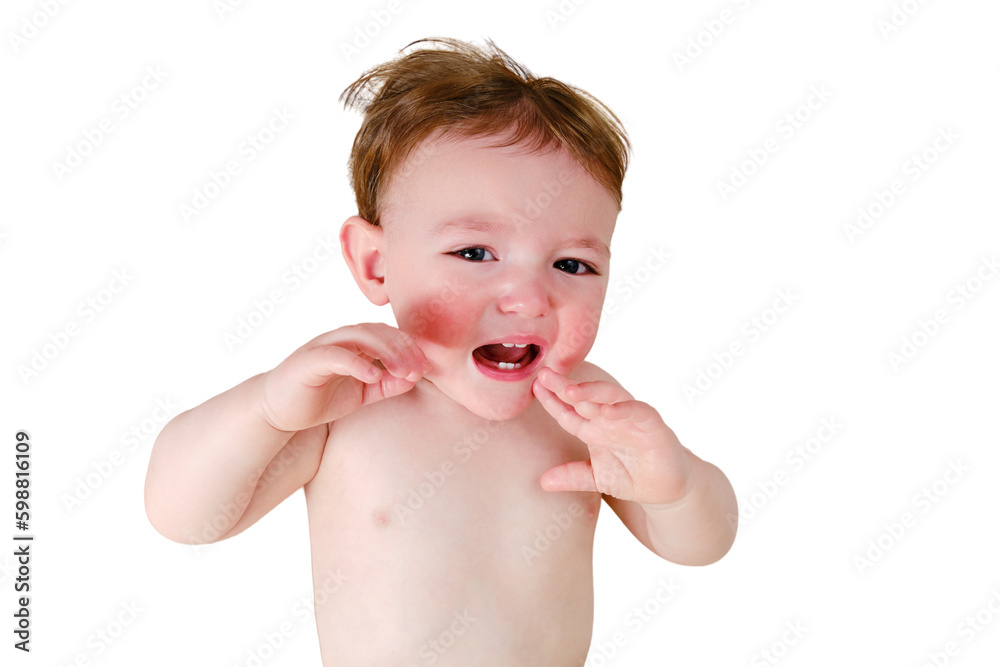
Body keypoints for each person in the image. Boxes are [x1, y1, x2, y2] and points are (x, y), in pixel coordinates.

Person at [145, 37, 737, 665]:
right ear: (376, 264)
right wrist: (265, 410)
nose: (528, 298)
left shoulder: (584, 409)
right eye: (475, 253)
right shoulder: (342, 403)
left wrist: (674, 489)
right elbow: (184, 517)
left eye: (572, 263)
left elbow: (702, 544)